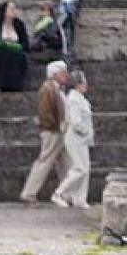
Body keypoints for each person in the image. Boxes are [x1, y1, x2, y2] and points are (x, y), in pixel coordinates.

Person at [19, 60, 71, 204]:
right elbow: (45, 112)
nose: (66, 75)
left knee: (66, 163)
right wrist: (55, 125)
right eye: (63, 72)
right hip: (53, 132)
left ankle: (67, 193)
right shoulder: (48, 89)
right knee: (45, 161)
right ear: (55, 74)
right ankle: (29, 193)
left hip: (59, 130)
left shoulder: (56, 89)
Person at [52, 70, 94, 208]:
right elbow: (76, 122)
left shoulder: (80, 98)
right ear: (77, 84)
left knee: (85, 169)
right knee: (79, 168)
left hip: (82, 139)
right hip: (75, 138)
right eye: (83, 82)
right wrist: (85, 130)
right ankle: (59, 193)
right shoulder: (74, 99)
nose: (85, 85)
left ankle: (80, 198)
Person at [0, 0, 30, 92]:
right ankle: (0, 85)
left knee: (16, 56)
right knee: (3, 55)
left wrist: (14, 46)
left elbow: (25, 44)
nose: (14, 11)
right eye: (11, 9)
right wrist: (4, 44)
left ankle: (15, 85)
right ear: (4, 11)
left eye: (15, 9)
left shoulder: (19, 25)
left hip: (16, 52)